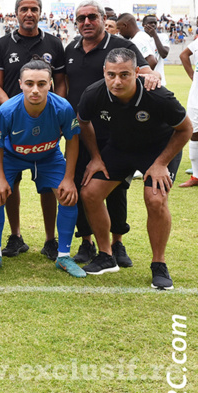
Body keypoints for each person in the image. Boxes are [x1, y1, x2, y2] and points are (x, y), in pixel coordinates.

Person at [78, 48, 190, 289]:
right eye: (111, 75)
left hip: (158, 151)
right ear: (104, 73)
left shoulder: (158, 95)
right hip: (120, 149)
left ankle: (158, 264)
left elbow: (185, 130)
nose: (116, 81)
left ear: (137, 73)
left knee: (155, 199)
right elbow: (83, 123)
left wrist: (160, 163)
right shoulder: (94, 92)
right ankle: (106, 256)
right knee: (89, 193)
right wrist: (96, 157)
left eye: (124, 75)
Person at [64, 0, 157, 267]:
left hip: (117, 132)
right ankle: (86, 242)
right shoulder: (70, 48)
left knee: (117, 188)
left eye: (92, 17)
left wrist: (151, 77)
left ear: (103, 19)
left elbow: (145, 72)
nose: (86, 22)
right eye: (81, 18)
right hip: (81, 129)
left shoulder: (122, 46)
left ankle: (117, 243)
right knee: (84, 183)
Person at [0, 58, 84, 277]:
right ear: (20, 83)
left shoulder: (62, 107)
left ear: (50, 84)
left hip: (49, 156)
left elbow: (73, 140)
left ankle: (64, 256)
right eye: (29, 83)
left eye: (41, 84)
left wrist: (69, 178)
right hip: (13, 157)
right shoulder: (7, 110)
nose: (35, 90)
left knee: (68, 195)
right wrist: (0, 177)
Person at [0, 0, 66, 260]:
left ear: (41, 12)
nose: (29, 14)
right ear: (16, 13)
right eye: (24, 9)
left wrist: (56, 114)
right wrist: (15, 109)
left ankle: (50, 239)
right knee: (11, 182)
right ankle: (16, 236)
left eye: (34, 9)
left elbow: (61, 83)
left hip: (46, 121)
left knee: (48, 184)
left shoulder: (55, 43)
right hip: (12, 123)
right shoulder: (2, 44)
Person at [177, 37, 198, 187]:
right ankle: (196, 176)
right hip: (196, 98)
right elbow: (184, 54)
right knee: (194, 133)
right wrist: (192, 75)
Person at [143, 14, 170, 85]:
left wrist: (155, 35)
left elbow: (164, 54)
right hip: (144, 79)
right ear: (143, 25)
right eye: (150, 23)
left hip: (159, 80)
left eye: (155, 23)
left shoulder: (163, 37)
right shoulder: (140, 39)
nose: (153, 25)